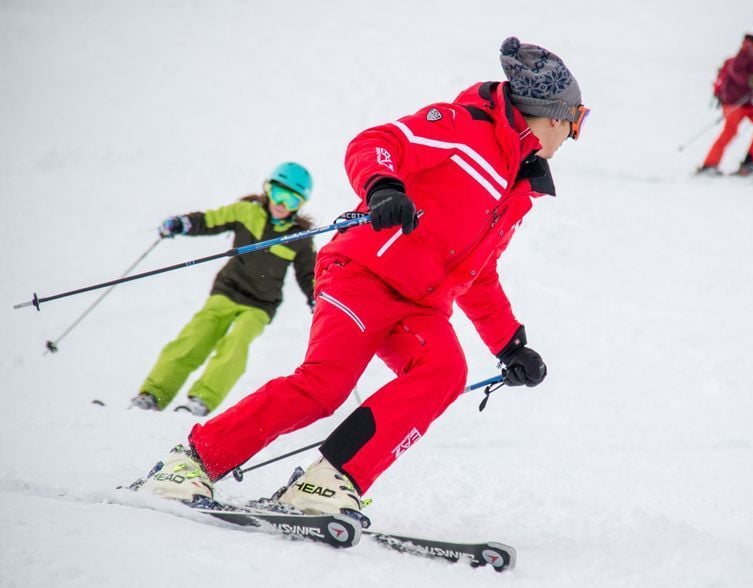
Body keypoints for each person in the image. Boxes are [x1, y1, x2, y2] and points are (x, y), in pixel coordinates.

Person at [136, 36, 588, 523]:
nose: (574, 136)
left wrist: (509, 345)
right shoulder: (463, 129)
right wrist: (383, 187)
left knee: (443, 372)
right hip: (364, 275)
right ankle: (189, 463)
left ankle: (329, 482)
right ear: (552, 116)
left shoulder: (517, 187)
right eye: (577, 122)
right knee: (324, 386)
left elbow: (478, 275)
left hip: (419, 306)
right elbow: (376, 144)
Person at [129, 162, 318, 417]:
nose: (281, 204)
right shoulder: (245, 212)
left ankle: (202, 399)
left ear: (300, 205)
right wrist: (183, 223)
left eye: (291, 200)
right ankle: (154, 393)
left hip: (260, 305)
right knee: (195, 336)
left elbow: (309, 274)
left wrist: (317, 297)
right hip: (228, 291)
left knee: (236, 342)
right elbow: (210, 221)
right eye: (277, 193)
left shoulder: (299, 238)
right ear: (267, 189)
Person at [698, 15, 753, 177]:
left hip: (750, 101)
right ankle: (709, 165)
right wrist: (751, 79)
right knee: (730, 131)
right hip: (734, 99)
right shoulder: (748, 48)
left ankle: (751, 163)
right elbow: (736, 71)